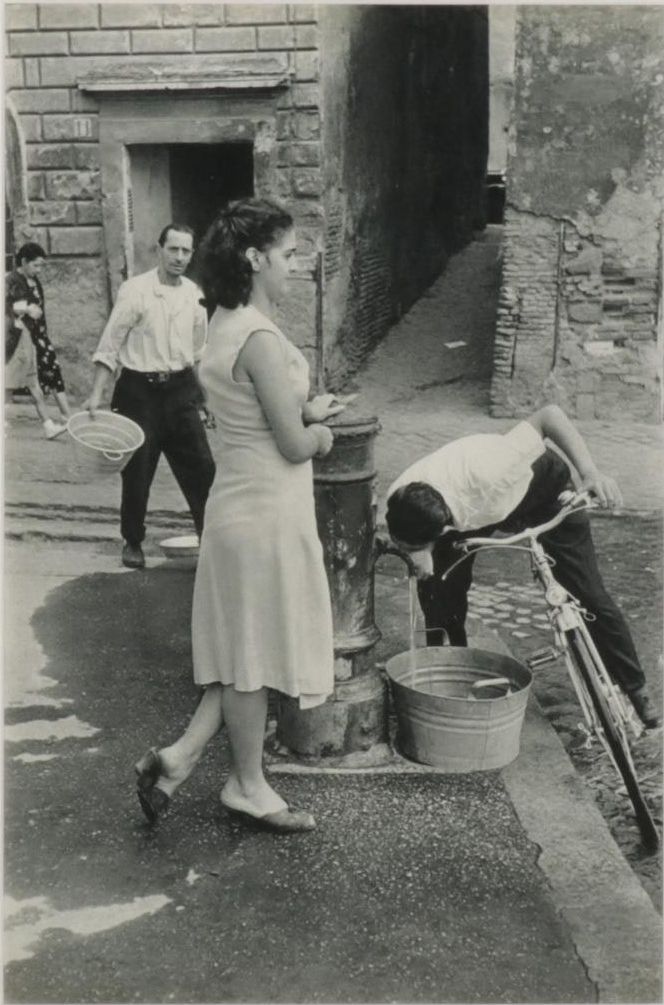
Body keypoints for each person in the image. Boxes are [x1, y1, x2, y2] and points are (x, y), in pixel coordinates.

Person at [134, 198, 344, 832]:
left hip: (234, 505)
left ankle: (178, 759)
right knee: (251, 661)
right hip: (267, 513)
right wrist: (320, 431)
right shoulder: (258, 336)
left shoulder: (220, 322)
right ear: (256, 259)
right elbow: (292, 442)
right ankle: (247, 784)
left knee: (237, 652)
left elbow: (249, 417)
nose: (294, 266)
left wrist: (298, 413)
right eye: (287, 254)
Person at [385, 405, 660, 729]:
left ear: (439, 532)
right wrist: (419, 558)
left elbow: (550, 416)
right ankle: (448, 674)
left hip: (541, 490)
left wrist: (590, 473)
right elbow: (407, 537)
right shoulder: (400, 497)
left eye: (415, 547)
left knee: (587, 593)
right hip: (468, 514)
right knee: (438, 589)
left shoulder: (492, 468)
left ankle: (636, 688)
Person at [83, 223, 216, 569]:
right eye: (173, 249)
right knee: (138, 470)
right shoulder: (135, 291)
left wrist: (206, 400)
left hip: (181, 391)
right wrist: (96, 394)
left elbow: (199, 353)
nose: (180, 257)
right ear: (159, 250)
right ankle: (132, 541)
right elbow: (110, 345)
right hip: (138, 393)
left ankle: (213, 541)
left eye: (186, 251)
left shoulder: (194, 294)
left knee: (202, 469)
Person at [5, 243, 70, 436]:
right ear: (24, 261)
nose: (39, 270)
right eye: (36, 265)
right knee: (10, 382)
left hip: (32, 338)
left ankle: (50, 425)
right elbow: (7, 305)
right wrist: (26, 309)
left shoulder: (32, 280)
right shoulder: (11, 280)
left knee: (33, 380)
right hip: (16, 340)